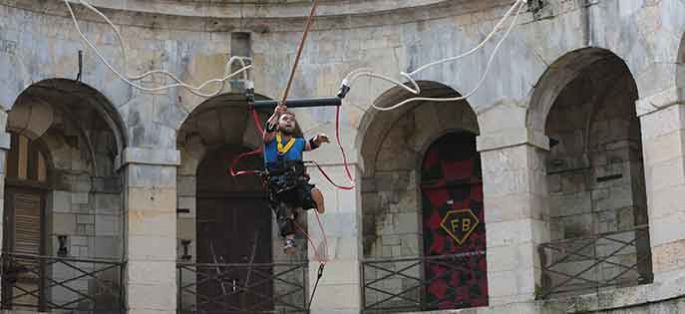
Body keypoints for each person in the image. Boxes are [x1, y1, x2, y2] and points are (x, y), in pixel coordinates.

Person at [263, 104, 328, 255]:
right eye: (285, 119)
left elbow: (310, 144)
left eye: (292, 120)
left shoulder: (297, 143)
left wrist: (319, 139)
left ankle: (316, 200)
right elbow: (268, 130)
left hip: (296, 180)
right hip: (278, 184)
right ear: (279, 124)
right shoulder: (271, 140)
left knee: (309, 191)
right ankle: (289, 241)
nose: (289, 121)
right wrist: (275, 114)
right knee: (284, 211)